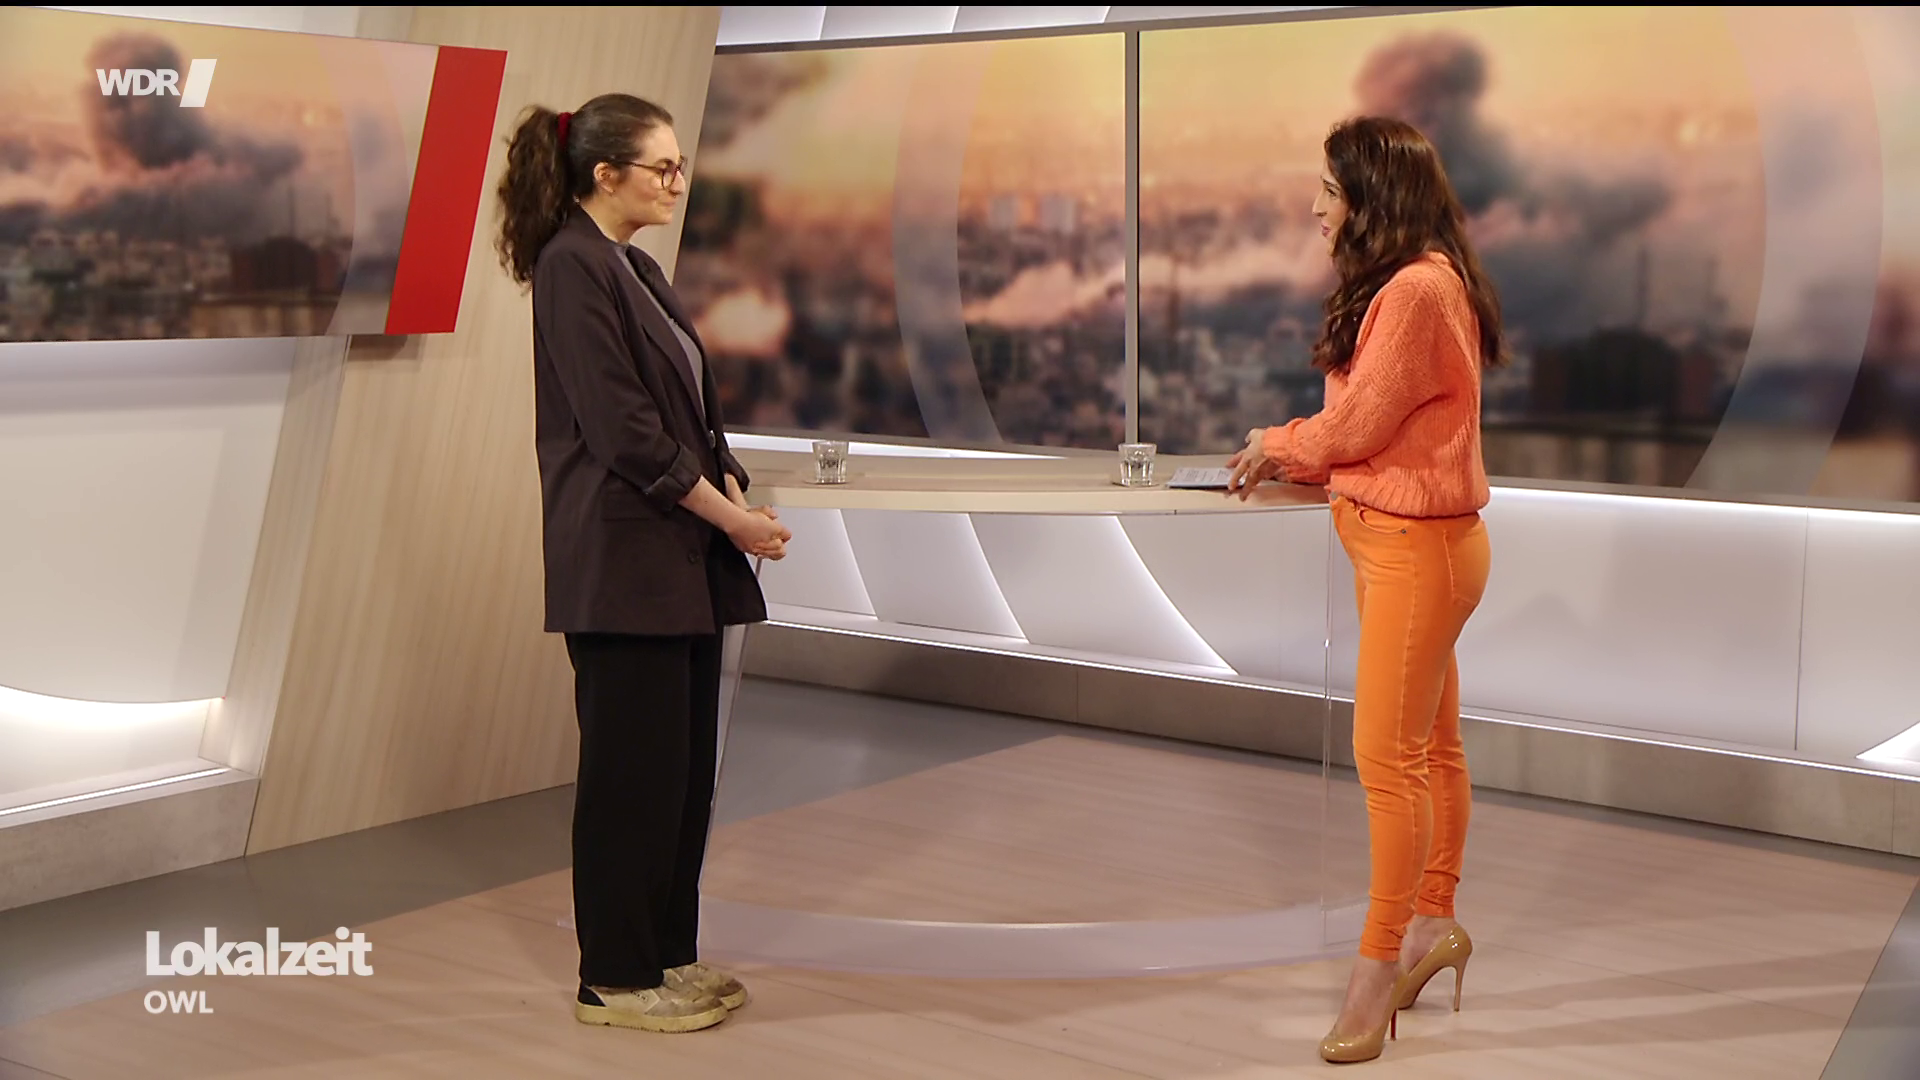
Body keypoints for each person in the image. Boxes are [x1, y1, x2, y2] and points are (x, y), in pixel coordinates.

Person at [495, 92, 792, 1035]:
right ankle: (616, 978)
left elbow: (688, 412)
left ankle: (666, 954)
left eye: (679, 165)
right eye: (662, 167)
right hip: (622, 563)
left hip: (678, 560)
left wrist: (730, 484)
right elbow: (624, 432)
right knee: (630, 780)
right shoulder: (571, 265)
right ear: (604, 174)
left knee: (679, 775)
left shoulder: (635, 266)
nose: (677, 181)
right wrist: (732, 521)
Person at [1226, 115, 1502, 1065]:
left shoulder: (1418, 290)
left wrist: (1276, 445)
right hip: (1423, 550)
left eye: (1330, 191)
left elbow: (1358, 426)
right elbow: (1374, 428)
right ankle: (1433, 925)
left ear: (1372, 199)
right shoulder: (1425, 279)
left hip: (1415, 556)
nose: (1315, 207)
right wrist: (1303, 454)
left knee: (1387, 763)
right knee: (1429, 751)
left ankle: (1377, 969)